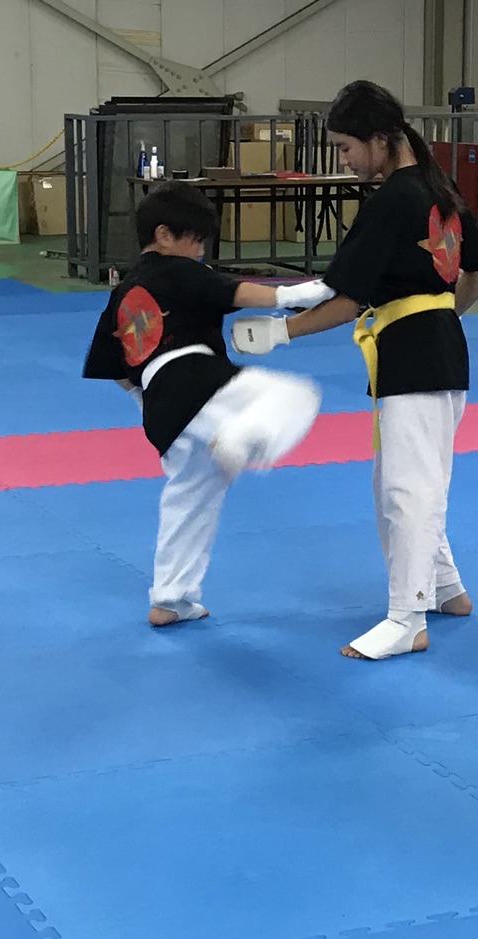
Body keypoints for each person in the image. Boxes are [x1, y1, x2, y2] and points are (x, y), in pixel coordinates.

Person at [233, 80, 478, 659]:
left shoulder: (394, 200)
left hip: (413, 357)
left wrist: (279, 331)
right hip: (438, 350)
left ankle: (408, 618)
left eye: (347, 147)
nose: (344, 160)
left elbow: (343, 295)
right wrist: (440, 316)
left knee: (408, 489)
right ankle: (446, 588)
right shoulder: (440, 188)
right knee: (404, 480)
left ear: (380, 140)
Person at [83, 182, 324, 628]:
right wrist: (305, 293)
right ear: (163, 235)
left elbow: (111, 364)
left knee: (189, 500)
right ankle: (239, 436)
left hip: (159, 409)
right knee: (296, 394)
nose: (199, 250)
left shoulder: (122, 293)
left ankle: (170, 599)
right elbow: (237, 292)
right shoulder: (172, 269)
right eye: (194, 239)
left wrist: (143, 400)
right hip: (195, 377)